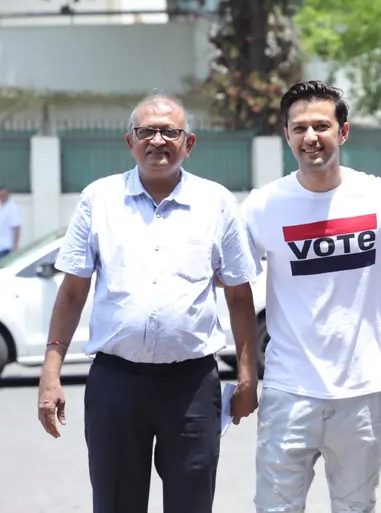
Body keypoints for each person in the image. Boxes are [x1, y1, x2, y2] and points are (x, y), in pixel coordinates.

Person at [36, 94, 262, 513]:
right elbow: (71, 293)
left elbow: (238, 296)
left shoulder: (217, 203)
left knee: (191, 505)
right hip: (116, 383)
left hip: (192, 386)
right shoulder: (99, 200)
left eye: (170, 132)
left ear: (188, 143)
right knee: (116, 503)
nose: (158, 141)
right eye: (147, 132)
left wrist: (247, 379)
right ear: (130, 141)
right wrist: (51, 373)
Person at [241, 81, 381, 513]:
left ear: (344, 131)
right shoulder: (263, 207)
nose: (310, 137)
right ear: (287, 135)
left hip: (363, 390)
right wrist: (245, 370)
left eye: (321, 125)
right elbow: (232, 286)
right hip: (288, 388)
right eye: (299, 128)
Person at [0, 185, 21, 258]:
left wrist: (15, 246)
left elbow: (17, 227)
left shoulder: (12, 208)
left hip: (6, 246)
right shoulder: (1, 207)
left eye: (4, 195)